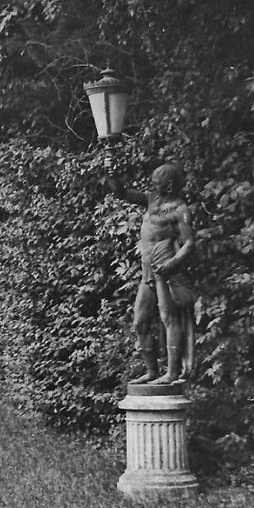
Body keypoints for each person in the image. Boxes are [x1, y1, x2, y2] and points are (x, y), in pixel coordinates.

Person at [101, 160, 199, 385]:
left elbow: (189, 244)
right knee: (140, 321)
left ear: (170, 185)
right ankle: (152, 371)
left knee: (168, 317)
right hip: (148, 267)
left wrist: (171, 264)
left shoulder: (180, 210)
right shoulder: (151, 199)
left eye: (157, 183)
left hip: (166, 268)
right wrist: (111, 172)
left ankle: (172, 372)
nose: (153, 186)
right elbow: (121, 193)